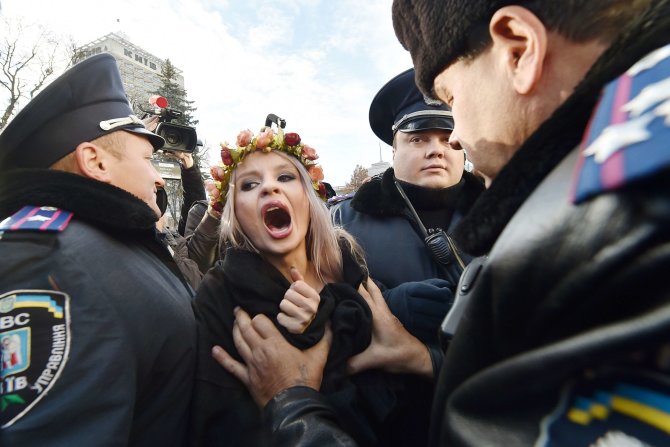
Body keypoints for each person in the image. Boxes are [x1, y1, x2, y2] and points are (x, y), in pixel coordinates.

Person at [214, 0, 670, 446]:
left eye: (451, 98)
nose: (454, 139)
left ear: (519, 49)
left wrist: (291, 405)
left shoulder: (600, 223)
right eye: (421, 136)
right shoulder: (614, 184)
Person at [0, 53, 196, 445]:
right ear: (95, 161)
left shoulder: (102, 240)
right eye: (146, 159)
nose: (157, 177)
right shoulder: (49, 260)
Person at [191, 125, 426, 446]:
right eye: (249, 184)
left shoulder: (345, 259)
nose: (269, 189)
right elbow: (217, 424)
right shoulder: (220, 291)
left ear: (309, 196)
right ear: (236, 213)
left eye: (285, 177)